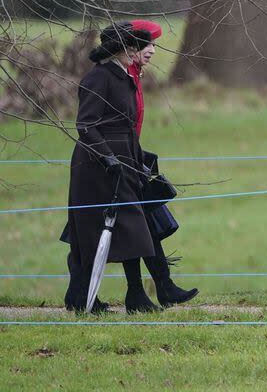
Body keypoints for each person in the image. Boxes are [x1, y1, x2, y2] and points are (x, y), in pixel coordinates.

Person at [61, 22, 159, 314]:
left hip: (123, 162)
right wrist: (108, 158)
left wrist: (140, 158)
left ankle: (136, 295)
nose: (140, 52)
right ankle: (80, 297)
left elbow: (126, 127)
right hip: (95, 167)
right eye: (134, 47)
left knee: (133, 229)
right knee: (90, 231)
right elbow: (86, 125)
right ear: (121, 49)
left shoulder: (124, 78)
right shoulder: (98, 79)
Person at [126, 19, 199, 308]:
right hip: (119, 162)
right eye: (148, 44)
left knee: (146, 222)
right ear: (130, 46)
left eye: (154, 45)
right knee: (137, 225)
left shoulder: (134, 74)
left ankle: (160, 288)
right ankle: (143, 292)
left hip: (131, 157)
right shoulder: (120, 76)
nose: (153, 50)